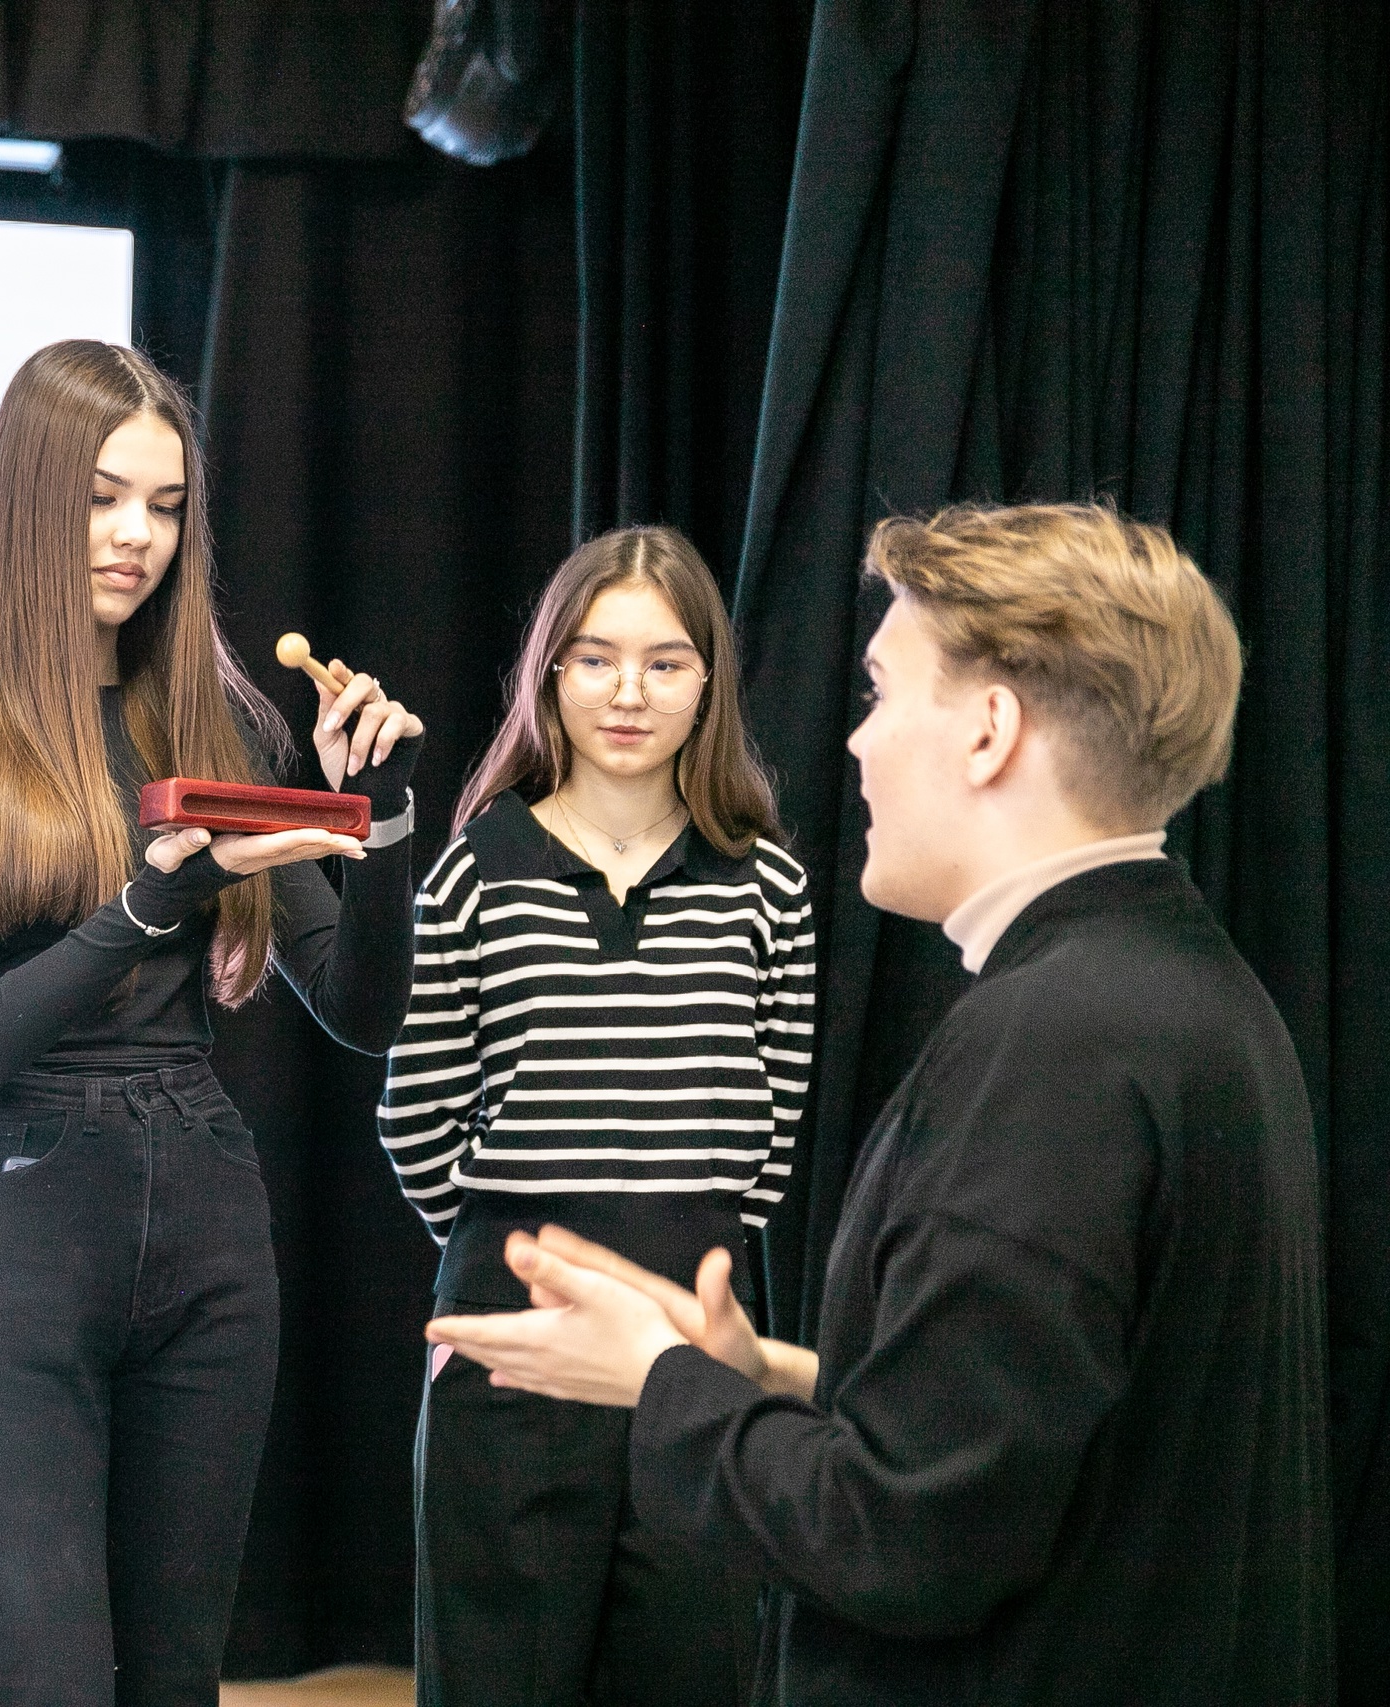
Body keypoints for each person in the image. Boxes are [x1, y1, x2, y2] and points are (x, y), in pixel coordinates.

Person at [426, 503, 1331, 1704]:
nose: (853, 742)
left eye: (881, 692)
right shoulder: (1197, 992)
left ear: (988, 731)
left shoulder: (1048, 1050)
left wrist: (661, 1379)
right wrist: (773, 1373)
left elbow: (899, 1539)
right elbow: (1036, 1433)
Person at [0, 339, 423, 1706]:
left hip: (204, 1202)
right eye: (103, 497)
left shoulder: (219, 726)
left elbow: (362, 1012)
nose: (134, 536)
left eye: (164, 506)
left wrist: (382, 819)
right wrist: (151, 904)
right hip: (9, 1211)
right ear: (25, 498)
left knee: (176, 1682)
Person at [378, 526, 810, 1706]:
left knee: (692, 1667)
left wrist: (679, 1244)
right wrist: (505, 1250)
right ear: (549, 674)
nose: (628, 693)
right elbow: (417, 1108)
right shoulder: (475, 869)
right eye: (596, 659)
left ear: (708, 683)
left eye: (665, 663)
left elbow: (775, 1116)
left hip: (690, 1335)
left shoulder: (767, 883)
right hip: (512, 1328)